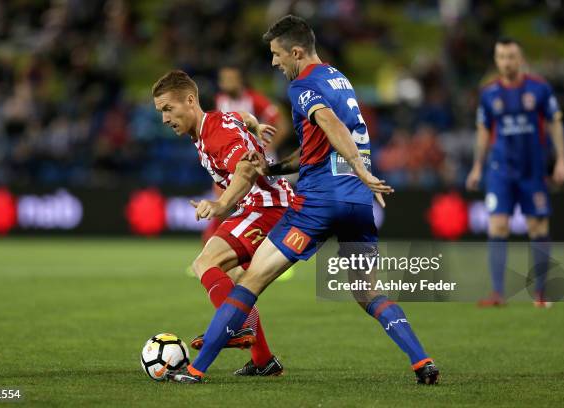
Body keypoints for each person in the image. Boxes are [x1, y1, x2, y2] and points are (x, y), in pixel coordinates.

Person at [169, 15, 439, 385]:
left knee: (250, 282)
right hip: (358, 203)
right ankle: (421, 360)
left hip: (318, 202)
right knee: (368, 290)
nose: (274, 63)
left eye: (277, 55)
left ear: (296, 52)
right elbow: (317, 144)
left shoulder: (302, 85)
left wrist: (360, 168)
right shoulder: (339, 79)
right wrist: (277, 167)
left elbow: (329, 123)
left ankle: (197, 370)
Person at [152, 70, 294, 376]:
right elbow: (241, 116)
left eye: (168, 109)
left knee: (205, 263)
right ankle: (263, 361)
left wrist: (220, 205)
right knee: (230, 277)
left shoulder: (216, 134)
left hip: (267, 207)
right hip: (261, 205)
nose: (164, 119)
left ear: (190, 101)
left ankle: (237, 327)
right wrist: (255, 125)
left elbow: (245, 170)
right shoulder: (212, 122)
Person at [466, 38, 564, 307]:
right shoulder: (488, 93)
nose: (506, 62)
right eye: (501, 57)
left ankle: (541, 294)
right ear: (496, 60)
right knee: (497, 226)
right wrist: (477, 166)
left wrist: (561, 161)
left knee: (538, 226)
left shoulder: (540, 88)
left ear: (520, 59)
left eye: (510, 56)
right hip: (500, 170)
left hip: (532, 170)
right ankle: (498, 294)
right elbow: (484, 131)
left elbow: (555, 124)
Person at [200, 65, 290, 244]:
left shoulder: (255, 100)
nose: (225, 83)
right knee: (221, 207)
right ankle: (209, 249)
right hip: (227, 165)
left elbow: (283, 124)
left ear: (240, 80)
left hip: (255, 165)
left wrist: (268, 148)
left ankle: (276, 253)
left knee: (267, 209)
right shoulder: (217, 101)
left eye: (230, 78)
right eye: (222, 79)